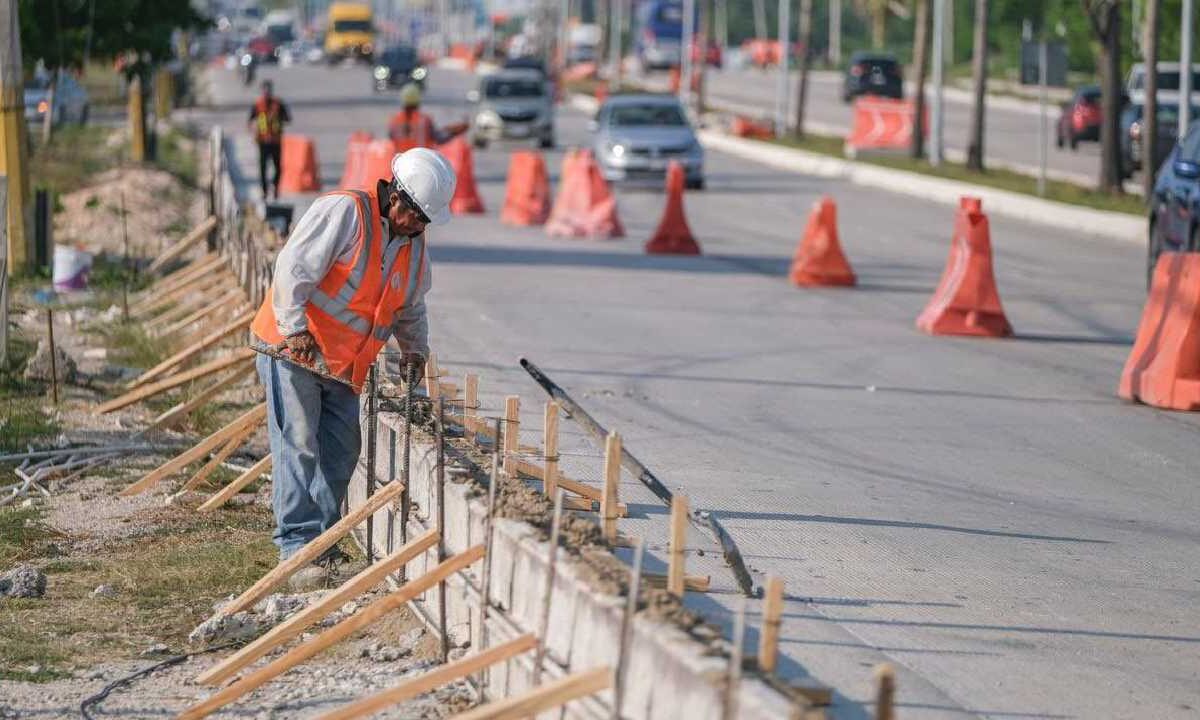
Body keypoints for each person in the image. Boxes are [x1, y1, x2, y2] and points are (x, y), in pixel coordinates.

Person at [250, 148, 457, 589]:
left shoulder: (413, 247)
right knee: (300, 444)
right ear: (395, 197)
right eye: (415, 216)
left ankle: (322, 544)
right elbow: (293, 268)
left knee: (342, 452)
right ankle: (295, 547)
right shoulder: (346, 212)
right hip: (294, 350)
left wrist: (415, 350)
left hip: (343, 366)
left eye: (425, 221)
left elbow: (410, 305)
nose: (418, 227)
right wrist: (294, 327)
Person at [387, 82, 468, 151]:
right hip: (422, 163)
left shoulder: (395, 121)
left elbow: (392, 141)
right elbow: (439, 138)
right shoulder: (424, 120)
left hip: (401, 164)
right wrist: (454, 132)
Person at [248, 80, 291, 200]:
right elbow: (250, 120)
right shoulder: (257, 105)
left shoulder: (278, 104)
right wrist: (254, 133)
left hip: (276, 141)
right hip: (262, 142)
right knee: (263, 167)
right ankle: (264, 191)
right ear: (262, 91)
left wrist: (279, 119)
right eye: (264, 90)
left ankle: (276, 188)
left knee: (278, 167)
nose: (266, 92)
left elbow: (288, 118)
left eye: (268, 90)